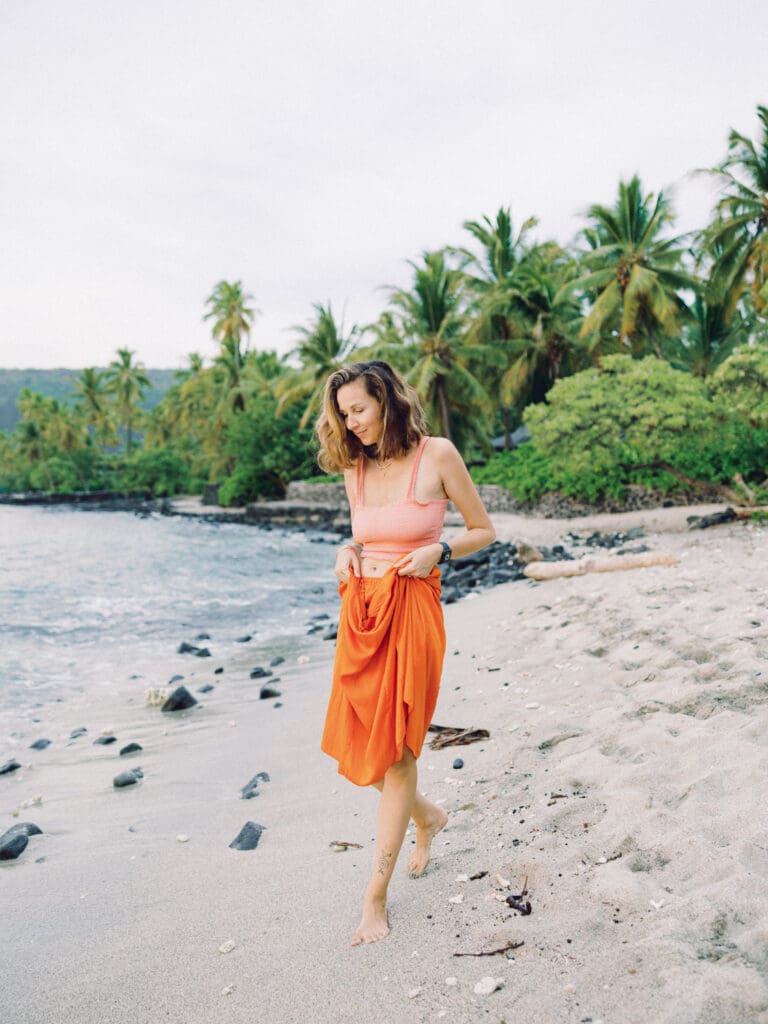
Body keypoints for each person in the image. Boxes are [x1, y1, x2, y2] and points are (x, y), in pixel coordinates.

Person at [315, 360, 495, 946]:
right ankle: (428, 816)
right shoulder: (356, 468)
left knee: (394, 754)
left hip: (412, 609)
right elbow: (363, 534)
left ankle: (374, 897)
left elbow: (482, 529)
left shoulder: (437, 455)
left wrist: (438, 549)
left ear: (387, 399)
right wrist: (346, 550)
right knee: (363, 744)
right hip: (360, 611)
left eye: (359, 409)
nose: (352, 422)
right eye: (343, 414)